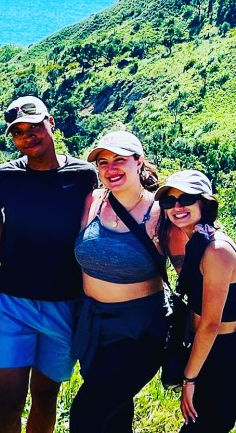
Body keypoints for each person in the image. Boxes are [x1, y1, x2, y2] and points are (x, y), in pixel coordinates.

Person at [0, 97, 97, 433]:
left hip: (64, 301)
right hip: (13, 302)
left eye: (34, 126)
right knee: (10, 399)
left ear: (52, 122)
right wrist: (12, 255)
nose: (28, 136)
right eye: (18, 132)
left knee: (46, 396)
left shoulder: (83, 176)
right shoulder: (2, 178)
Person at [70, 130, 168, 432]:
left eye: (120, 160)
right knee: (115, 416)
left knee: (85, 416)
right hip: (95, 328)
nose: (110, 169)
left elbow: (193, 268)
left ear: (139, 162)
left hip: (139, 333)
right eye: (103, 162)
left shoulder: (160, 213)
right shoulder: (93, 202)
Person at [156, 170, 236, 432]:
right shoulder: (197, 240)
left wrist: (190, 379)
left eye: (186, 198)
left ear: (204, 202)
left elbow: (212, 323)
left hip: (221, 352)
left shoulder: (217, 250)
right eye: (169, 202)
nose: (177, 207)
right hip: (208, 348)